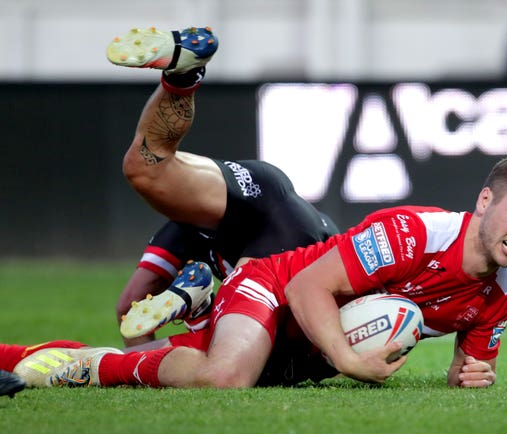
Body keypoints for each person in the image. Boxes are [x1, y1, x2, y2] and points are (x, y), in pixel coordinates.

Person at [1, 26, 507, 390]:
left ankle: (193, 302)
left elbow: (467, 370)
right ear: (485, 199)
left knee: (144, 328)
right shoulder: (414, 232)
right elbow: (305, 286)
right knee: (195, 350)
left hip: (292, 311)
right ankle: (189, 305)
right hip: (281, 267)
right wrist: (351, 361)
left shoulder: (498, 294)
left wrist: (472, 376)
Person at [107, 26, 339, 347]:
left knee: (146, 170)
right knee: (143, 169)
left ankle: (200, 308)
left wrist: (136, 367)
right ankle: (182, 77)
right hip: (273, 214)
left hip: (278, 221)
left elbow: (128, 312)